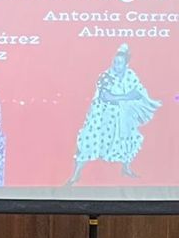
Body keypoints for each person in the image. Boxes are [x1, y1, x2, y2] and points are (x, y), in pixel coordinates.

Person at [68, 44, 162, 183]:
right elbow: (106, 97)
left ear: (126, 64)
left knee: (128, 138)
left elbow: (138, 92)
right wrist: (127, 96)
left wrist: (133, 97)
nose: (116, 65)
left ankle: (126, 169)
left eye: (119, 63)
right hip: (102, 115)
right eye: (114, 62)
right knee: (90, 140)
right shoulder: (106, 76)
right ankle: (76, 175)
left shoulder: (130, 76)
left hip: (122, 115)